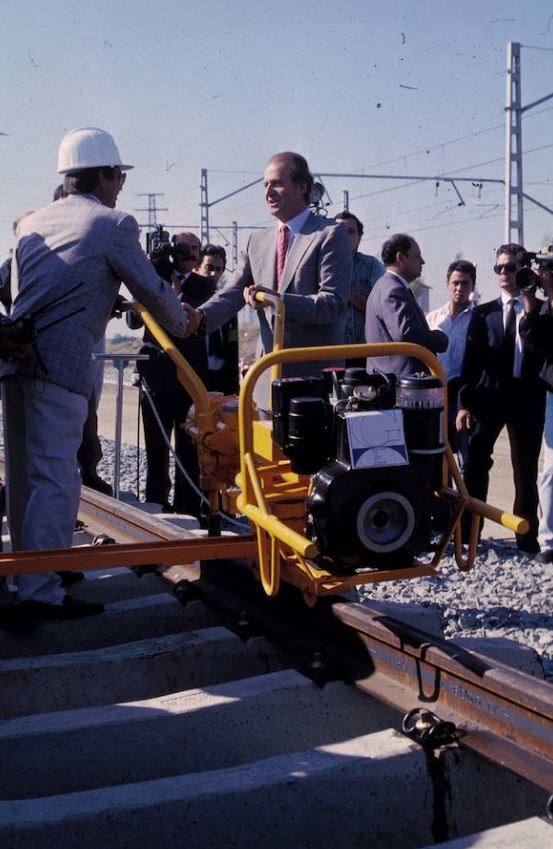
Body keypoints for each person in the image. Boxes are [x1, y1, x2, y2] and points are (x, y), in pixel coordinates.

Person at [0, 126, 188, 620]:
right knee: (55, 478)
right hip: (59, 369)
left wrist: (99, 298)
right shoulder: (113, 223)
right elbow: (153, 291)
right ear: (104, 176)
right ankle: (40, 592)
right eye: (118, 177)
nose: (120, 186)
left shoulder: (33, 222)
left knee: (24, 480)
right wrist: (182, 318)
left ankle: (33, 572)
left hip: (16, 363)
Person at [185, 151, 352, 411]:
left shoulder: (330, 235)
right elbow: (232, 292)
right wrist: (200, 317)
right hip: (268, 382)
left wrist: (277, 300)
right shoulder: (257, 242)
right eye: (265, 185)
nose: (268, 192)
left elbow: (332, 303)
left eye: (277, 183)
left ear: (302, 187)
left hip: (316, 381)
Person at [456, 244, 546, 553]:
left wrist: (532, 303)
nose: (504, 273)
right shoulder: (484, 313)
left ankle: (527, 538)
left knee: (526, 471)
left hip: (527, 399)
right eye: (499, 268)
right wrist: (464, 404)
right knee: (476, 466)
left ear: (524, 269)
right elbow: (471, 361)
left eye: (511, 267)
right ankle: (471, 535)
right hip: (488, 399)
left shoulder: (542, 310)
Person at [139, 232, 216, 515]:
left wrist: (169, 287)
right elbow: (134, 321)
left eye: (195, 249)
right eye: (184, 248)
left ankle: (188, 510)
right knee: (155, 451)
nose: (190, 254)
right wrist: (150, 276)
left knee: (188, 451)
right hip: (156, 377)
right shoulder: (152, 282)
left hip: (190, 381)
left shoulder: (205, 287)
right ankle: (156, 506)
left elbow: (189, 314)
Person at [364, 233, 448, 376]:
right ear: (400, 257)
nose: (422, 261)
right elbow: (406, 334)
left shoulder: (387, 286)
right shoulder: (393, 289)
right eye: (417, 256)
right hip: (399, 384)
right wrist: (440, 338)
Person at [518, 249, 553, 562]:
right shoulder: (542, 309)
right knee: (551, 469)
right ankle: (549, 541)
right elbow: (534, 343)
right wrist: (531, 299)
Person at [426, 260, 477, 469]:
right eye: (455, 282)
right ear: (447, 284)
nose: (459, 288)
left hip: (461, 394)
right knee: (436, 454)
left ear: (473, 286)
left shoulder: (479, 320)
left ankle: (463, 500)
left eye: (465, 283)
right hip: (434, 392)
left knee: (464, 458)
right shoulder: (433, 319)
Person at [334, 211, 384, 367]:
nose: (345, 236)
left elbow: (380, 307)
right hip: (329, 350)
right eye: (339, 231)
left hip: (365, 351)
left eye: (350, 232)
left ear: (359, 237)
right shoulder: (317, 265)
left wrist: (344, 293)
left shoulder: (371, 266)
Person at [197, 245, 240, 395]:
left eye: (219, 269)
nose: (214, 273)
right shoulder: (188, 303)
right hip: (196, 379)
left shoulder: (227, 305)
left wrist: (235, 388)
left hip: (222, 380)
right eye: (209, 267)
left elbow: (232, 345)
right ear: (197, 267)